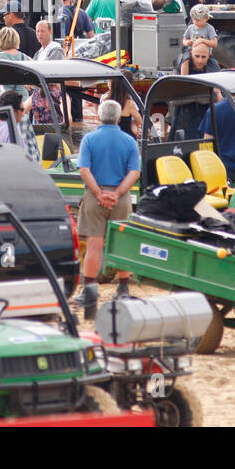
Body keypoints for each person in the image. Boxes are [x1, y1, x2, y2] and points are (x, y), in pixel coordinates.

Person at [73, 99, 141, 318]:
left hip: (95, 197)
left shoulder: (89, 139)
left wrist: (99, 193)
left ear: (100, 116)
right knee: (121, 244)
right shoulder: (129, 141)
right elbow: (134, 173)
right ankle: (122, 288)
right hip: (121, 199)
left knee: (93, 245)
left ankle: (90, 290)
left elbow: (84, 170)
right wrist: (118, 193)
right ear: (119, 116)